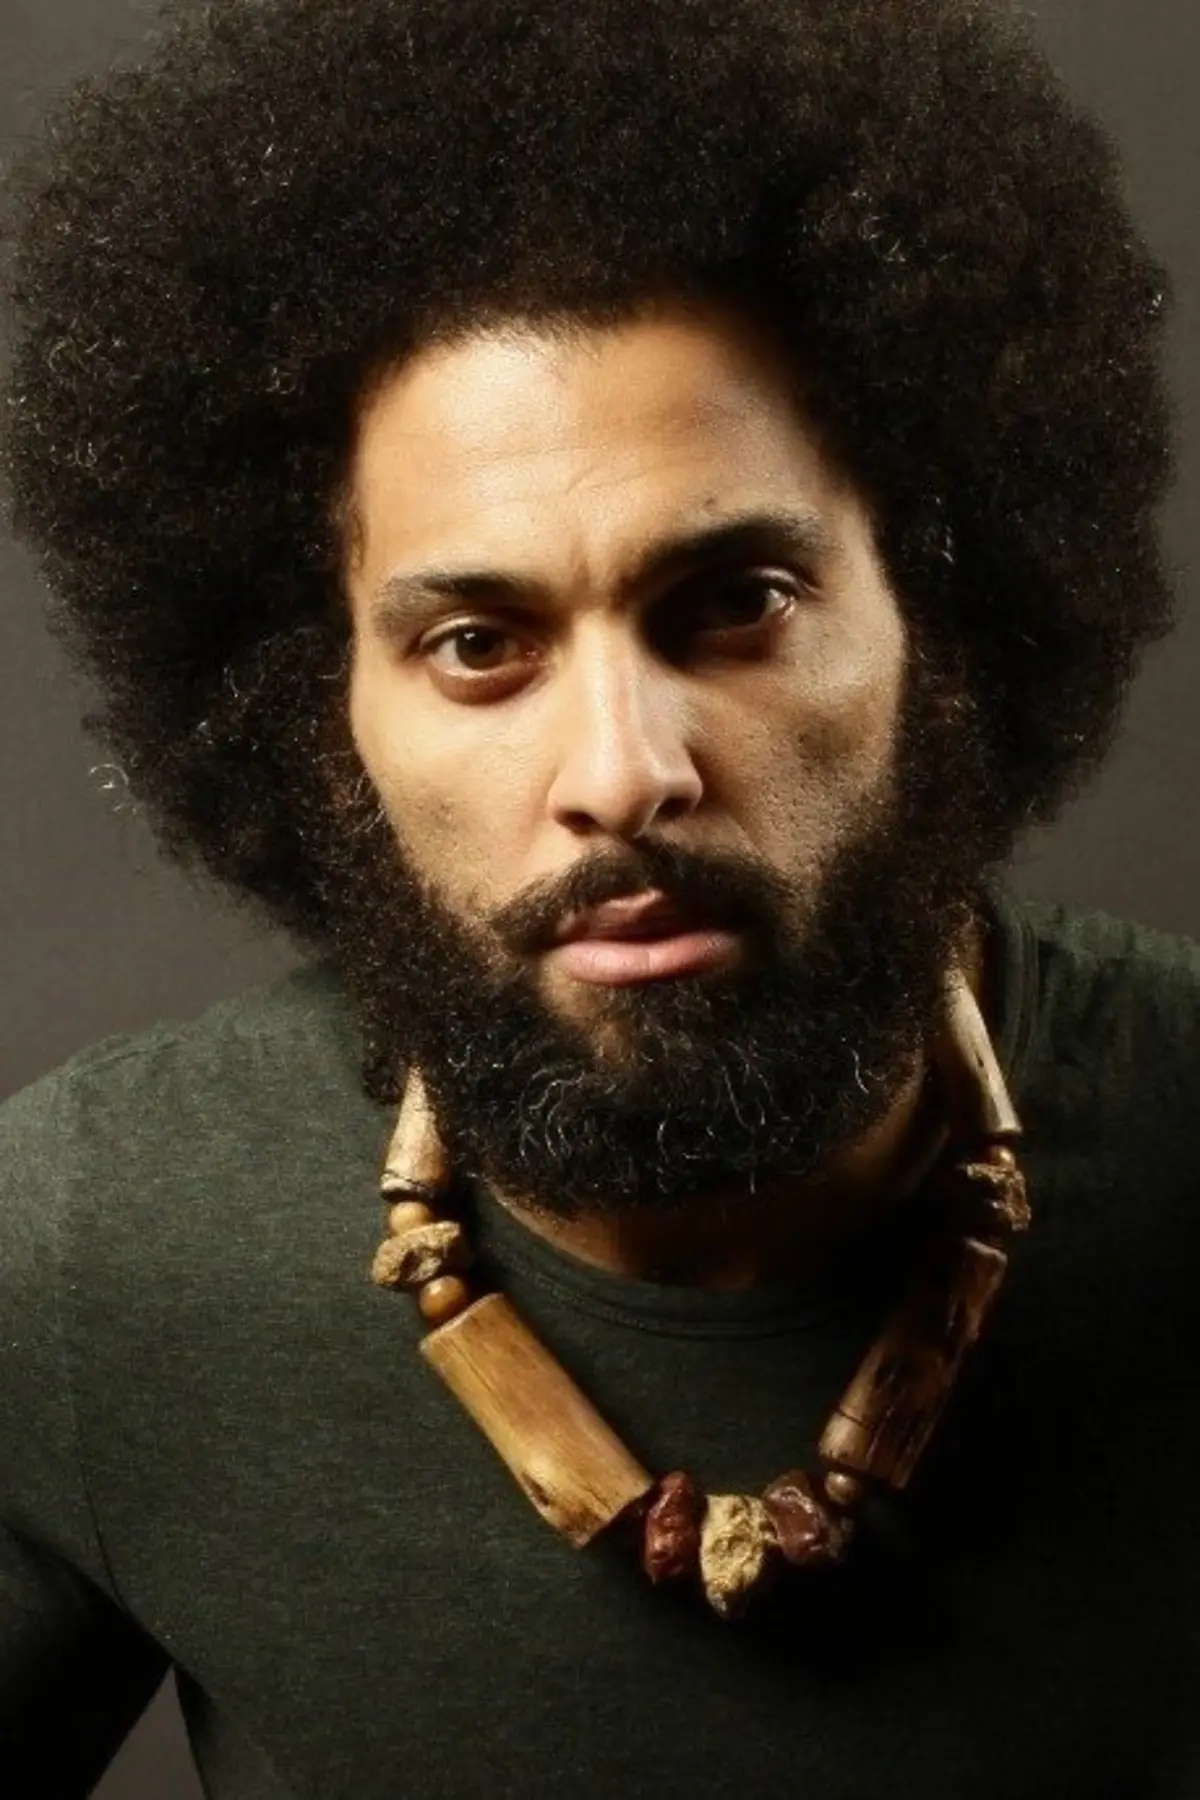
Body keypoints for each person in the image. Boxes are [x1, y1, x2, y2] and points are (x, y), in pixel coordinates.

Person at [1, 0, 1195, 1792]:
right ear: (316, 708)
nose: (624, 772)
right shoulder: (80, 1256)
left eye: (735, 605)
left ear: (937, 617)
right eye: (479, 644)